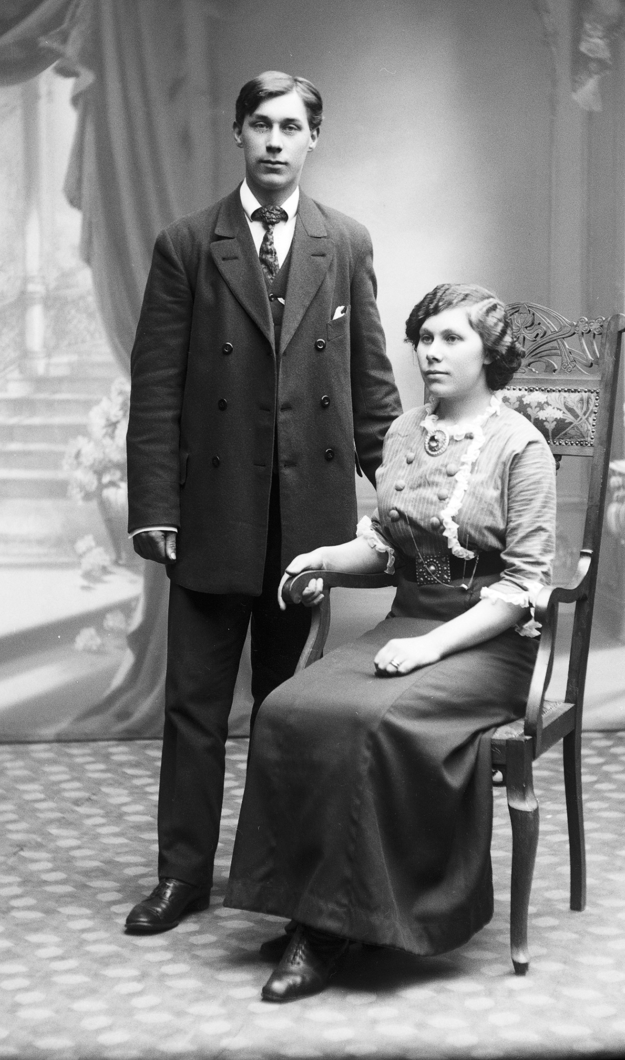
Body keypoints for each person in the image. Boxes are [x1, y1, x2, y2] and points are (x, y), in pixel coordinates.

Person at [224, 282, 557, 1002]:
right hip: (406, 621)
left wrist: (433, 649)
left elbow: (525, 587)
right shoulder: (404, 433)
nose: (431, 352)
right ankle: (316, 908)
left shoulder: (521, 447)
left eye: (452, 338)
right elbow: (383, 546)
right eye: (424, 338)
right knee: (285, 708)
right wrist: (320, 559)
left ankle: (336, 929)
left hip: (489, 645)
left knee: (372, 721)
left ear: (490, 354)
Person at [124, 72, 401, 935]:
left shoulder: (343, 242)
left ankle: (283, 879)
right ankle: (182, 876)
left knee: (293, 711)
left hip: (308, 520)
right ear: (238, 134)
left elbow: (370, 385)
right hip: (213, 511)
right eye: (260, 125)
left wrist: (402, 495)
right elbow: (156, 387)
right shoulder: (186, 244)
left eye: (291, 127)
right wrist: (156, 506)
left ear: (314, 138)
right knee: (195, 708)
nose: (275, 141)